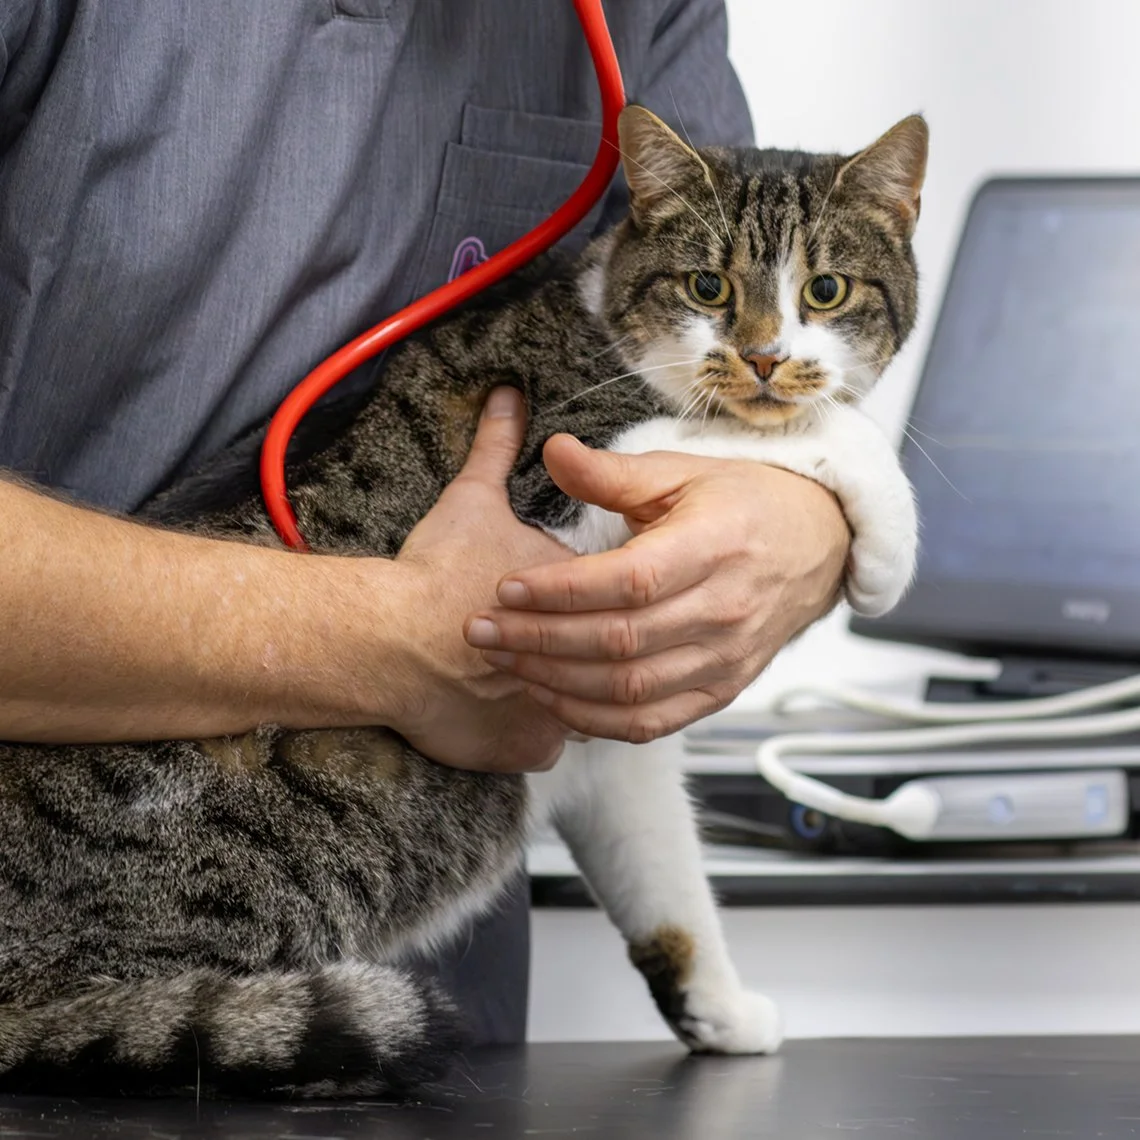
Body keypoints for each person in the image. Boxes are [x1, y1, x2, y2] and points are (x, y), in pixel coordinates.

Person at [0, 1, 849, 1042]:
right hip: (97, 871)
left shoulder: (644, 15)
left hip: (402, 965)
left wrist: (809, 528)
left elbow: (751, 362)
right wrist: (392, 639)